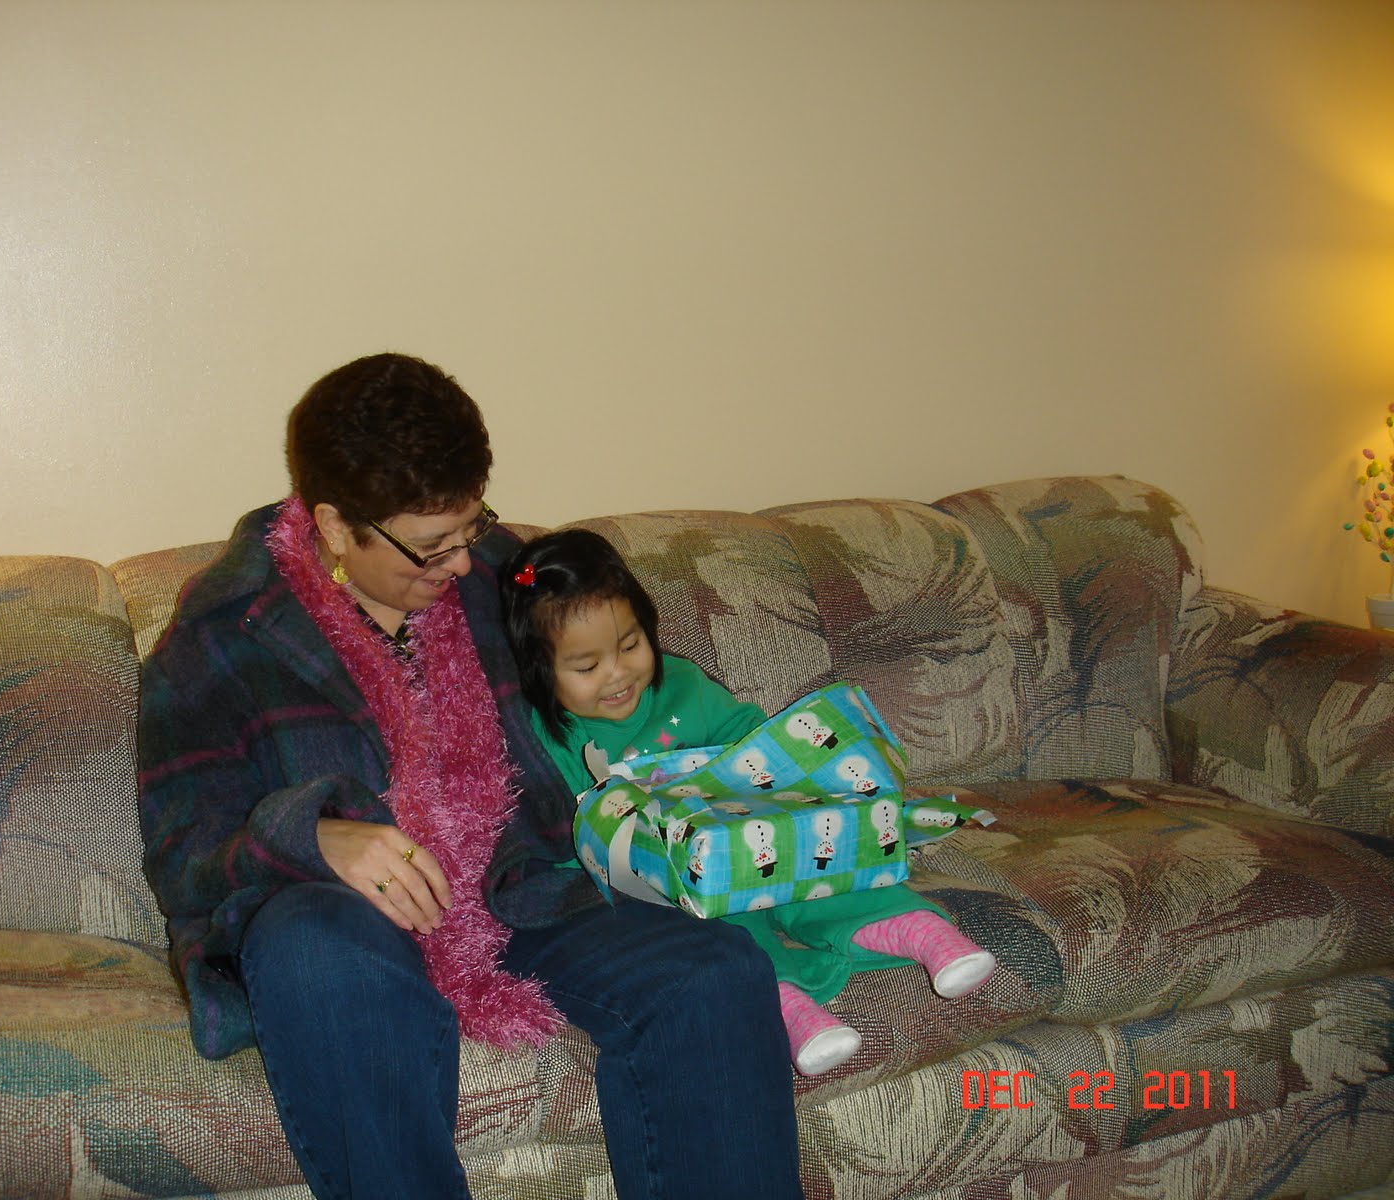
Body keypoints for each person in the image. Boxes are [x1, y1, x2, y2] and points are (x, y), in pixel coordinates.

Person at [136, 353, 802, 1200]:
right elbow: (183, 855)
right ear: (335, 525)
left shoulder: (504, 576)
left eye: (470, 527)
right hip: (342, 922)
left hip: (521, 886)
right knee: (314, 951)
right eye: (428, 547)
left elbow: (625, 694)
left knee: (713, 970)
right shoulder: (221, 635)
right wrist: (312, 835)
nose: (459, 565)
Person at [499, 528, 997, 1076]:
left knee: (824, 864)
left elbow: (756, 740)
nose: (617, 674)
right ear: (541, 672)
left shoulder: (684, 684)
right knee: (729, 931)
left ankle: (924, 934)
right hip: (674, 878)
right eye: (587, 667)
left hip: (752, 826)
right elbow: (567, 834)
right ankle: (792, 1008)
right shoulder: (551, 737)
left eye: (631, 645)